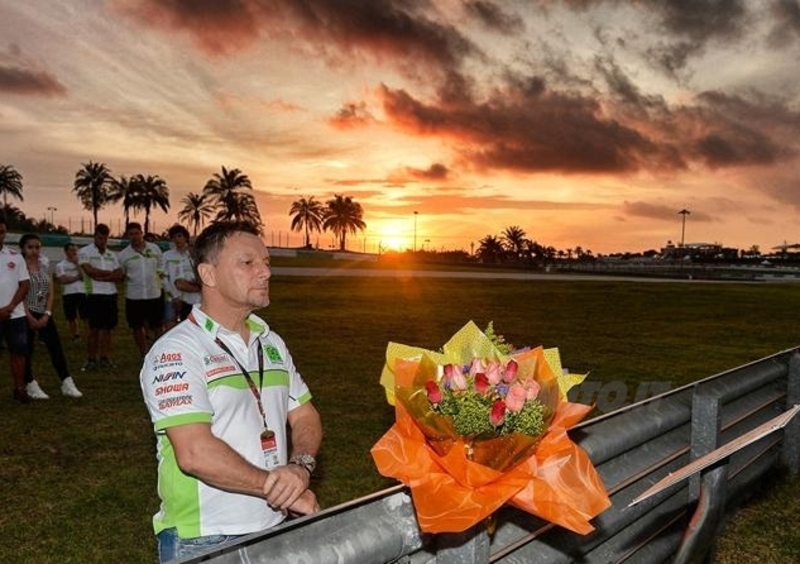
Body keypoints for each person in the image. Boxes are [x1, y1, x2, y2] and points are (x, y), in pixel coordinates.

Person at [140, 220, 322, 563]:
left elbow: (304, 415)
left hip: (273, 523)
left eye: (266, 262)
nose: (265, 272)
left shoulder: (270, 342)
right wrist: (282, 489)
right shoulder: (176, 350)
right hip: (205, 538)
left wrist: (300, 467)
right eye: (248, 262)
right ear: (208, 274)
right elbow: (195, 452)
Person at [19, 233, 83, 399]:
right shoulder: (19, 267)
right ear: (23, 249)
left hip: (44, 313)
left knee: (55, 348)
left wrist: (47, 313)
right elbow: (19, 293)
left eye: (37, 247)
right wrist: (29, 316)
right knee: (27, 350)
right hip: (25, 313)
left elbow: (51, 290)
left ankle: (66, 382)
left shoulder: (44, 264)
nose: (34, 251)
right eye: (30, 247)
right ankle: (30, 383)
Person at [78, 223, 124, 370]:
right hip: (94, 295)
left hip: (111, 294)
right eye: (99, 238)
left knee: (108, 329)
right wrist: (110, 274)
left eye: (105, 238)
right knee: (94, 329)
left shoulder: (112, 254)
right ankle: (91, 359)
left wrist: (104, 276)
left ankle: (105, 358)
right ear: (95, 236)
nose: (102, 241)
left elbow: (120, 274)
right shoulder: (85, 251)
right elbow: (89, 271)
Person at [118, 222, 164, 355]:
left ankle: (160, 352)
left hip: (154, 294)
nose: (134, 236)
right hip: (134, 296)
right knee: (137, 326)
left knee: (157, 326)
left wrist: (160, 276)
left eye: (137, 233)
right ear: (127, 236)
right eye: (131, 234)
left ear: (142, 233)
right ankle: (144, 353)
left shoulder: (155, 249)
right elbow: (121, 274)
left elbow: (161, 265)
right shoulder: (123, 255)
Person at [0, 215, 31, 402]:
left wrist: (10, 307)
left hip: (15, 314)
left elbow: (25, 285)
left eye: (2, 232)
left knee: (19, 352)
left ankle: (20, 388)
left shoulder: (15, 257)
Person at [160, 224, 200, 330]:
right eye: (174, 237)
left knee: (191, 327)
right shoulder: (166, 255)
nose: (177, 239)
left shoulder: (193, 255)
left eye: (179, 236)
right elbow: (163, 278)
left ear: (186, 237)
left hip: (192, 298)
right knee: (170, 326)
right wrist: (174, 296)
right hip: (172, 297)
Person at [55, 242, 87, 342]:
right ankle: (76, 335)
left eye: (75, 250)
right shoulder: (60, 265)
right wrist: (77, 277)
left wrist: (77, 264)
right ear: (66, 251)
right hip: (68, 293)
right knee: (71, 316)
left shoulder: (82, 264)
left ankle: (89, 333)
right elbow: (63, 280)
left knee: (85, 315)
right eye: (71, 250)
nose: (74, 252)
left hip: (82, 292)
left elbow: (84, 277)